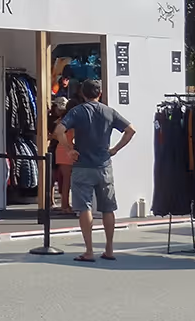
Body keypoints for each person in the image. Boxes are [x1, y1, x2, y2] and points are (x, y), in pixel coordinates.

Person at [53, 79, 135, 262]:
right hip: (104, 165)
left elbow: (59, 130)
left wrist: (69, 149)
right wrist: (115, 149)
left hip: (82, 165)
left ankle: (89, 250)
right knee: (108, 208)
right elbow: (130, 130)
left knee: (84, 207)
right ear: (100, 93)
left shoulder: (77, 111)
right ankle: (109, 248)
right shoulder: (109, 111)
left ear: (82, 94)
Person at [48, 96, 74, 214]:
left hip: (61, 149)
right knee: (65, 180)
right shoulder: (70, 120)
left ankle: (65, 204)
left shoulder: (62, 120)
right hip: (66, 150)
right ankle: (65, 205)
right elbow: (56, 134)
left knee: (64, 180)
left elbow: (54, 135)